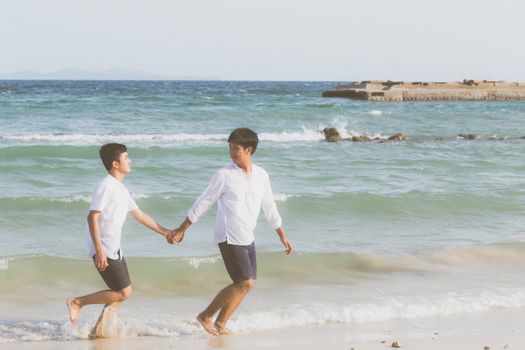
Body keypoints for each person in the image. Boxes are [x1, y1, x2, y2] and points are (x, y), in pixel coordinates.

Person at [168, 128, 293, 335]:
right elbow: (203, 202)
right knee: (245, 281)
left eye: (235, 148)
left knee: (245, 284)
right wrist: (182, 229)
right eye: (230, 147)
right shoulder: (223, 175)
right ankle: (206, 315)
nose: (231, 152)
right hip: (229, 235)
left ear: (249, 149)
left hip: (247, 235)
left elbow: (269, 206)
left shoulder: (262, 175)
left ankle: (220, 324)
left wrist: (282, 235)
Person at [66, 143, 171, 338]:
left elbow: (140, 214)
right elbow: (92, 216)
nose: (130, 161)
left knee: (118, 293)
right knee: (124, 292)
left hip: (114, 248)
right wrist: (99, 250)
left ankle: (98, 331)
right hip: (104, 247)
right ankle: (77, 302)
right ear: (115, 163)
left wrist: (166, 233)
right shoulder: (106, 186)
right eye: (126, 158)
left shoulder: (120, 188)